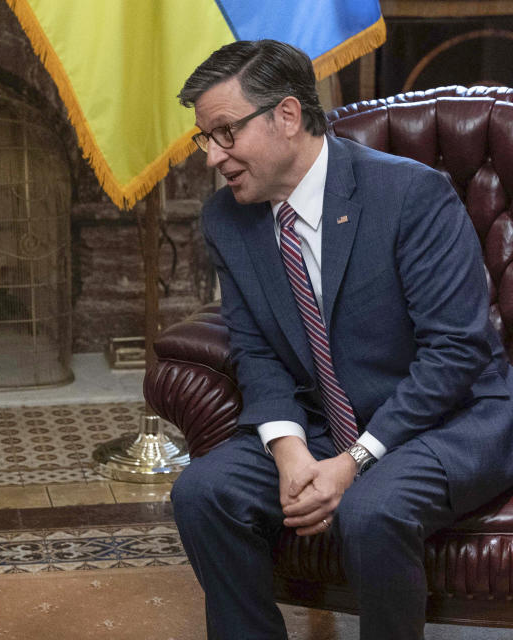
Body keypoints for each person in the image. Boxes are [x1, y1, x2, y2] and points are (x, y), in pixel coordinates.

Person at [170, 40, 513, 640]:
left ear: (286, 116)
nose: (212, 157)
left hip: (451, 418)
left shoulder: (412, 195)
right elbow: (254, 349)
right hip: (328, 420)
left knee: (371, 509)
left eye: (224, 132)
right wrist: (288, 450)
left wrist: (353, 462)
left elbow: (456, 354)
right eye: (206, 138)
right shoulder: (228, 218)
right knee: (203, 491)